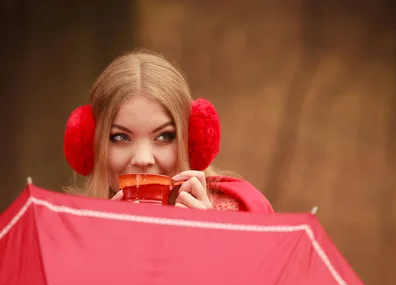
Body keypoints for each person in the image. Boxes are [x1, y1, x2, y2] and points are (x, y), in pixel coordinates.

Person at [64, 49, 274, 213]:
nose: (143, 159)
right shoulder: (67, 232)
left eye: (164, 136)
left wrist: (212, 239)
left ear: (190, 141)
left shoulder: (242, 216)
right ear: (94, 145)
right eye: (120, 137)